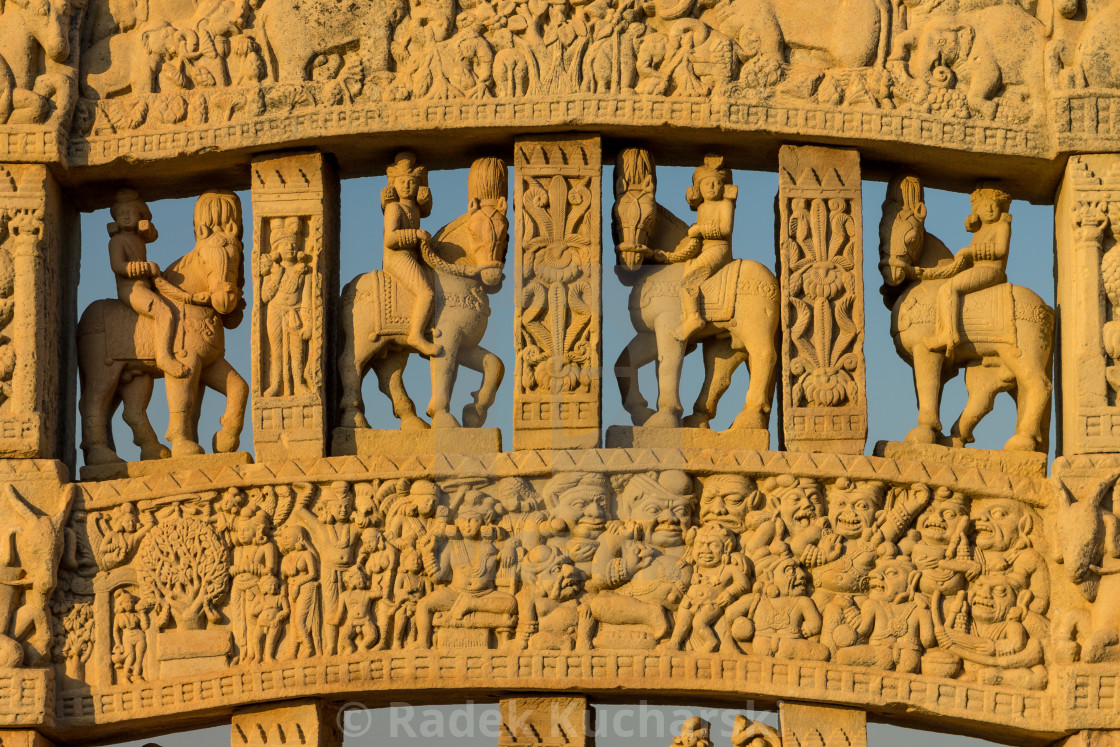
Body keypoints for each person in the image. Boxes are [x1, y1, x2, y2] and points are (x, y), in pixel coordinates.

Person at [919, 187, 1012, 355]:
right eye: (985, 207)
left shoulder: (1002, 225)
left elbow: (1000, 250)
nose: (990, 209)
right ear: (977, 212)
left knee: (949, 288)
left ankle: (949, 334)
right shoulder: (981, 230)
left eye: (994, 206)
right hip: (978, 268)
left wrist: (970, 252)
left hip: (991, 270)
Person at [106, 189, 186, 377]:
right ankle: (164, 357)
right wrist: (140, 268)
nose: (126, 217)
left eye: (131, 213)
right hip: (130, 289)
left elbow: (152, 236)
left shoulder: (139, 238)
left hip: (146, 286)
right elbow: (118, 266)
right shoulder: (117, 241)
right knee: (163, 312)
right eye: (121, 214)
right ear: (115, 218)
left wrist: (147, 228)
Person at [381, 151, 442, 357]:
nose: (408, 186)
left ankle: (429, 326)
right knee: (427, 292)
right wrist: (414, 234)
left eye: (412, 183)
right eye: (403, 182)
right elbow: (390, 239)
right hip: (397, 257)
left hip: (412, 256)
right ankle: (416, 334)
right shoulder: (394, 208)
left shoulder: (414, 209)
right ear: (394, 186)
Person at [670, 155, 737, 342]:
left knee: (690, 279)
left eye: (716, 183)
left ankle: (693, 318)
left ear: (724, 186)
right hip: (704, 249)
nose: (712, 187)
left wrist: (700, 229)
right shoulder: (702, 208)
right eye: (707, 184)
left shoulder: (725, 204)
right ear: (698, 188)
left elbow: (725, 229)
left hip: (719, 250)